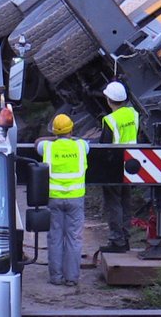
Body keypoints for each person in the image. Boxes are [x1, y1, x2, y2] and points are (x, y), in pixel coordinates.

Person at [35, 113, 90, 286]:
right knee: (74, 238)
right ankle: (72, 278)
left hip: (54, 199)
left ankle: (55, 277)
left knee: (55, 238)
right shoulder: (82, 146)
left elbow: (37, 143)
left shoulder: (47, 147)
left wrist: (52, 138)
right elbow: (83, 142)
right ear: (71, 129)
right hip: (75, 198)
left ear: (53, 132)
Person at [99, 81, 139, 253]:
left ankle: (117, 241)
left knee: (114, 203)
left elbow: (104, 146)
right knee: (125, 202)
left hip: (114, 166)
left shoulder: (110, 120)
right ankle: (126, 238)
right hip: (130, 164)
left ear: (109, 100)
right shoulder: (133, 114)